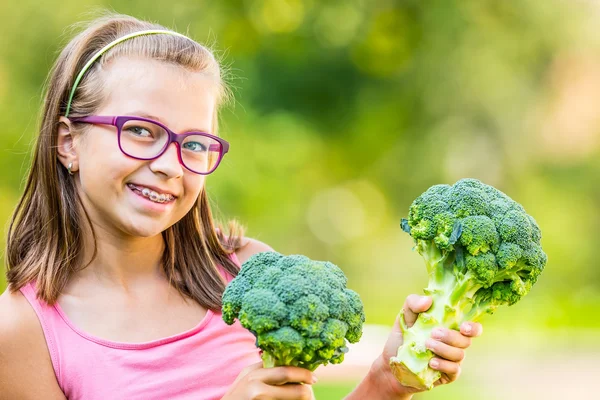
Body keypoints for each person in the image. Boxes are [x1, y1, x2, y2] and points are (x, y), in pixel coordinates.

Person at [0, 13, 482, 400]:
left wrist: (387, 380)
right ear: (69, 143)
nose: (171, 165)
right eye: (141, 131)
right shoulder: (24, 333)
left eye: (194, 143)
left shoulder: (247, 276)